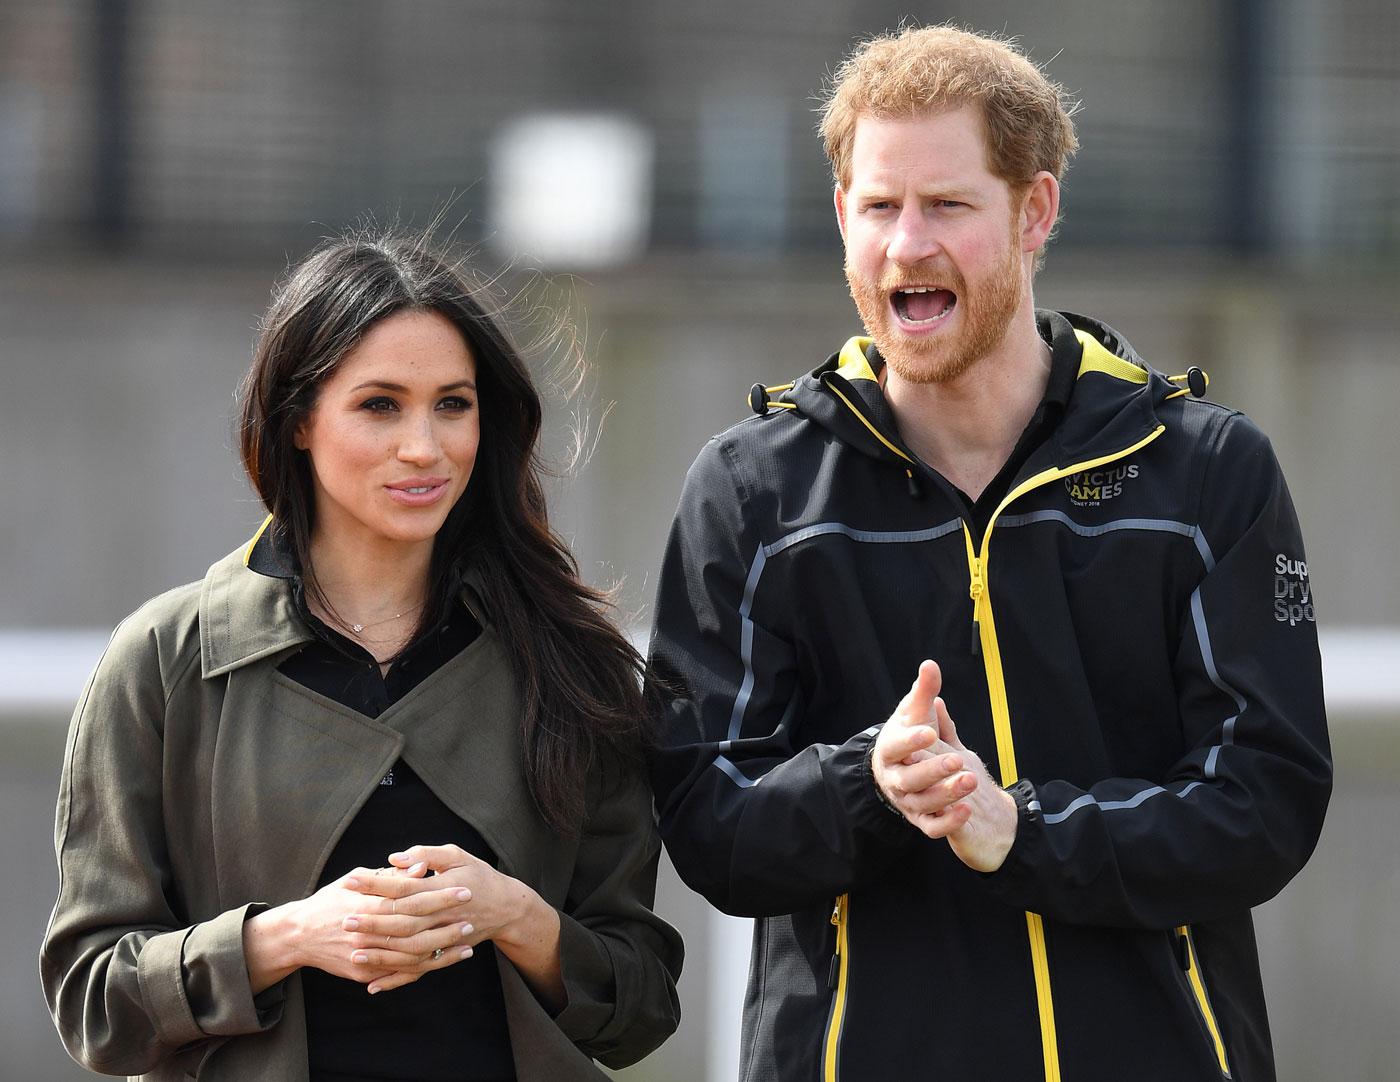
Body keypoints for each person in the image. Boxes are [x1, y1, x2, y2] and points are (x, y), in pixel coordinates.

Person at [647, 24, 1330, 1082]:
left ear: (1033, 212)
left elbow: (1265, 802)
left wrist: (1019, 830)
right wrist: (865, 784)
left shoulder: (1205, 472)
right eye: (877, 206)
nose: (904, 244)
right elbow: (705, 824)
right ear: (841, 216)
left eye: (947, 205)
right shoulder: (751, 491)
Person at [41, 229, 683, 1082]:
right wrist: (287, 937)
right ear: (299, 419)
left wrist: (514, 917)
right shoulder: (165, 662)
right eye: (381, 404)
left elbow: (640, 1006)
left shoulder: (569, 663)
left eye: (453, 403)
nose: (426, 446)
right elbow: (94, 1003)